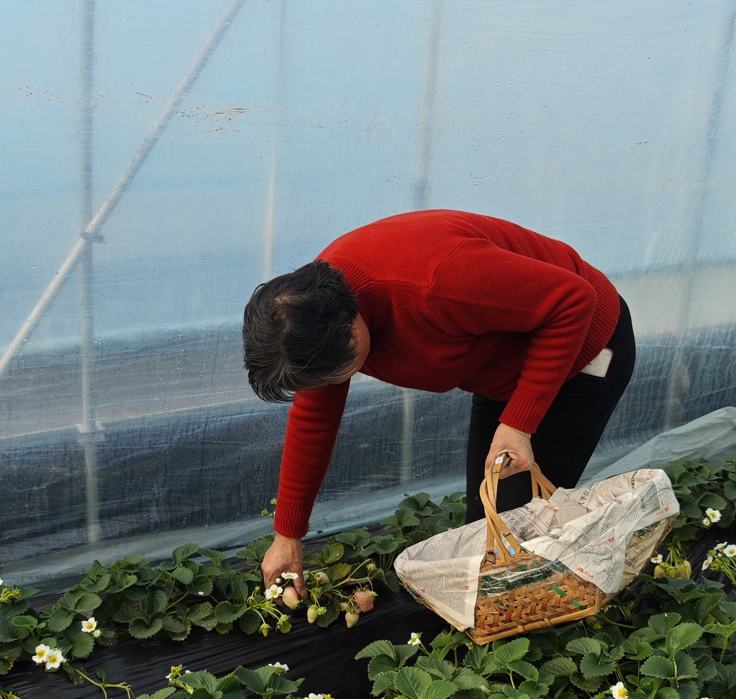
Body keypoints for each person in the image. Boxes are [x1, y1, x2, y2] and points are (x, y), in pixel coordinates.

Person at [242, 209, 635, 596]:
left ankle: (564, 606)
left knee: (521, 533)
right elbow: (313, 419)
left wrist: (518, 423)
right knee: (486, 530)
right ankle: (506, 611)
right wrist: (287, 535)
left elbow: (572, 300)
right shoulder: (308, 316)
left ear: (350, 328)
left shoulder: (436, 280)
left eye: (336, 374)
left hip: (582, 354)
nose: (333, 385)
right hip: (502, 371)